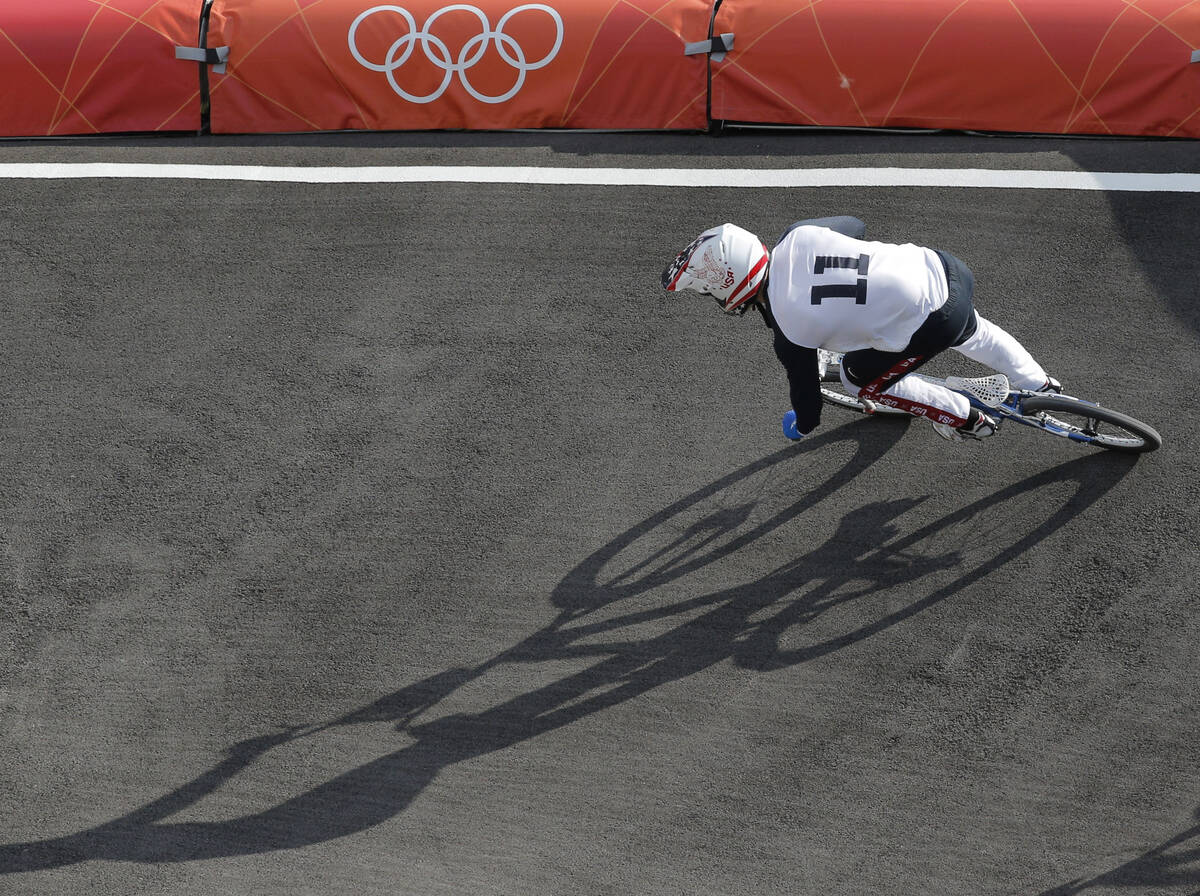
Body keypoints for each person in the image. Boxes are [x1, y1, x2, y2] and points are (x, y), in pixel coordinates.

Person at [661, 216, 1060, 443]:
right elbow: (855, 224)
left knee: (859, 381)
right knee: (977, 333)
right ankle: (1041, 384)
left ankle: (967, 419)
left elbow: (809, 402)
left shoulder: (790, 332)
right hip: (942, 270)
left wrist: (801, 427)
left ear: (729, 287)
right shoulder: (799, 234)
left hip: (930, 323)